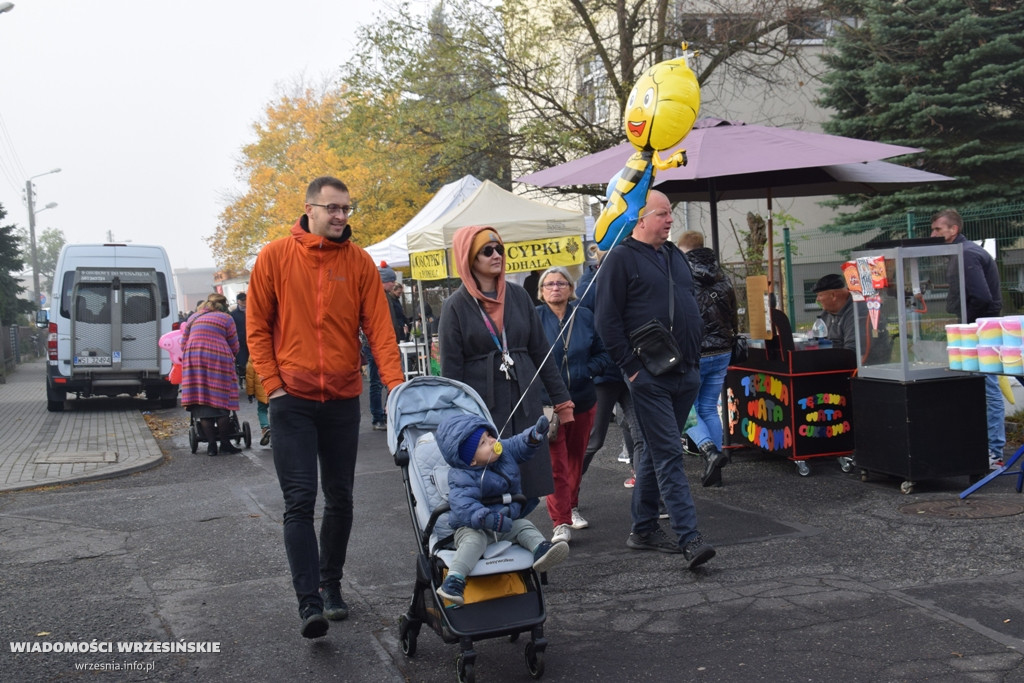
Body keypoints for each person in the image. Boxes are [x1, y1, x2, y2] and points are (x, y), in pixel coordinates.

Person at [247, 176, 405, 639]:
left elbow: (380, 331)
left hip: (340, 399)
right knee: (299, 502)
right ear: (310, 209)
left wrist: (395, 388)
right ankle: (308, 602)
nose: (341, 217)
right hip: (291, 401)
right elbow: (257, 328)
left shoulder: (357, 263)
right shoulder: (275, 256)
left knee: (340, 499)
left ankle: (331, 584)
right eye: (333, 208)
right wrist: (273, 385)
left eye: (346, 209)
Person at [595, 190, 716, 569]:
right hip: (649, 376)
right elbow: (606, 321)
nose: (669, 220)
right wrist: (631, 367)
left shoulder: (674, 256)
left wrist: (695, 360)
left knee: (651, 448)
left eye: (670, 214)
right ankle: (689, 538)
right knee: (667, 454)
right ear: (640, 219)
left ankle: (643, 528)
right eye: (662, 214)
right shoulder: (619, 258)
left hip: (685, 372)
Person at [439, 226, 574, 502]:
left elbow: (541, 352)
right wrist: (458, 421)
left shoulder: (518, 296)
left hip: (524, 399)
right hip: (484, 407)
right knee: (493, 480)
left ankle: (524, 536)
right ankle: (505, 536)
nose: (496, 255)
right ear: (468, 258)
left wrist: (563, 402)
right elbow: (451, 372)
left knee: (530, 477)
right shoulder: (454, 306)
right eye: (487, 251)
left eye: (500, 248)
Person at [435, 412, 569, 605]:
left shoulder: (502, 451)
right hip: (472, 527)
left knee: (523, 526)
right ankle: (454, 579)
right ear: (471, 460)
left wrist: (533, 436)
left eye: (489, 436)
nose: (491, 441)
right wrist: (485, 517)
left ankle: (541, 550)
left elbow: (517, 444)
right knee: (473, 542)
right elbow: (463, 506)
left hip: (503, 524)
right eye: (483, 443)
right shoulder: (462, 476)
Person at [534, 266, 611, 542]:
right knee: (556, 462)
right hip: (549, 405)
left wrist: (586, 370)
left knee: (576, 460)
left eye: (561, 283)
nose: (555, 287)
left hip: (582, 399)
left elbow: (604, 354)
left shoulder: (586, 316)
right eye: (549, 284)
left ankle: (572, 506)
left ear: (570, 288)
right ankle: (560, 522)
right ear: (542, 292)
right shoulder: (534, 318)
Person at [930, 208, 1005, 468]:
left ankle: (994, 451)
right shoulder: (959, 254)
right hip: (976, 324)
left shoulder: (967, 254)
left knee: (987, 385)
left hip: (981, 327)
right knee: (976, 384)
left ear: (954, 229)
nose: (933, 234)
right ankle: (980, 445)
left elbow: (982, 296)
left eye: (938, 229)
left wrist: (966, 323)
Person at [679, 230, 737, 488]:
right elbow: (734, 314)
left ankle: (709, 451)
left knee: (685, 410)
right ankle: (716, 469)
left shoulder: (682, 278)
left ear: (684, 251)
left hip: (695, 352)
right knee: (709, 408)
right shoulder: (724, 277)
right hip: (723, 350)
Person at [181, 293, 241, 456]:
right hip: (217, 358)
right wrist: (232, 357)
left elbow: (183, 342)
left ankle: (211, 447)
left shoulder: (193, 317)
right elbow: (234, 344)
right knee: (221, 402)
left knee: (203, 404)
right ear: (224, 305)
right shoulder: (226, 318)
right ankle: (225, 443)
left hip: (194, 359)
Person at [812, 273, 892, 364]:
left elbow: (852, 354)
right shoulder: (826, 314)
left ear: (833, 296)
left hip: (865, 371)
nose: (817, 299)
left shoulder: (859, 313)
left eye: (820, 295)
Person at [380, 263, 409, 342]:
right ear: (384, 281)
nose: (393, 284)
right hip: (386, 338)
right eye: (392, 281)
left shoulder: (386, 296)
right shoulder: (381, 297)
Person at [245, 358, 271, 446]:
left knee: (262, 410)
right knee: (276, 411)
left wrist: (250, 393)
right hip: (276, 388)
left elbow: (250, 377)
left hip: (262, 389)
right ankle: (277, 432)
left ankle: (265, 427)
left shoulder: (253, 356)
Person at [230, 292, 248, 387]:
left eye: (245, 299)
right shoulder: (233, 314)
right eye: (242, 300)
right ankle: (243, 377)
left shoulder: (252, 310)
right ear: (238, 301)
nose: (244, 302)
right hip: (240, 342)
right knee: (242, 363)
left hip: (252, 341)